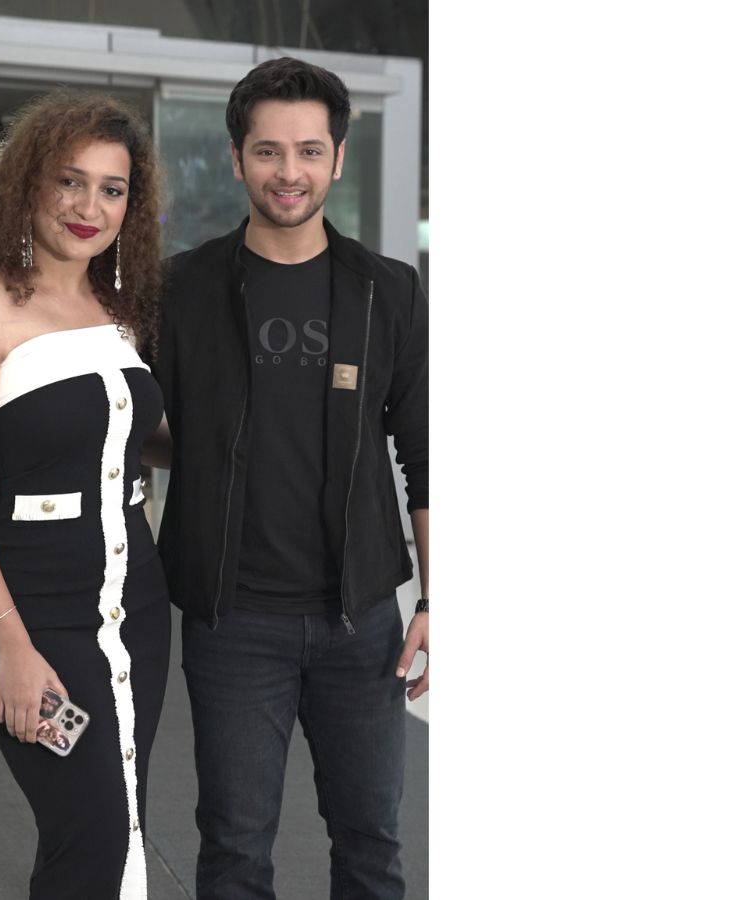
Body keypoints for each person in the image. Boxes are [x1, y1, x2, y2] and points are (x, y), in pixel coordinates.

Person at [152, 58, 430, 899]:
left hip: (363, 619)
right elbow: (126, 423)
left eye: (310, 150)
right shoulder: (180, 290)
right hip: (233, 617)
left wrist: (438, 599)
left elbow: (426, 453)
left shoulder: (389, 291)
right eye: (268, 150)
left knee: (372, 844)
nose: (289, 171)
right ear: (236, 157)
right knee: (235, 848)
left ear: (338, 159)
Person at [0, 91, 168, 899]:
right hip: (33, 613)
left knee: (119, 824)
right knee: (90, 831)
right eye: (70, 180)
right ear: (29, 182)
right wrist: (14, 647)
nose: (89, 207)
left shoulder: (119, 310)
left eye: (111, 188)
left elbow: (129, 434)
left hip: (135, 606)